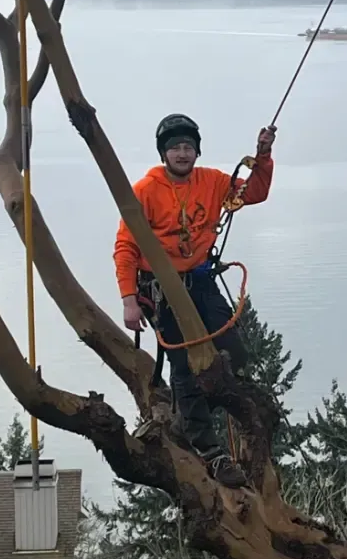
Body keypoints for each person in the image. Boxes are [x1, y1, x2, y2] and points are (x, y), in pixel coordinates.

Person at [113, 113, 276, 488]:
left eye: (188, 147)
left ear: (197, 151)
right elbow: (125, 246)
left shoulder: (213, 182)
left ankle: (202, 406)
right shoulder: (145, 191)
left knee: (233, 350)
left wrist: (263, 157)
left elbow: (254, 192)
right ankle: (208, 448)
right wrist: (128, 299)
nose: (182, 153)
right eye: (175, 148)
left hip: (199, 279)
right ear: (164, 154)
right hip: (163, 287)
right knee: (183, 365)